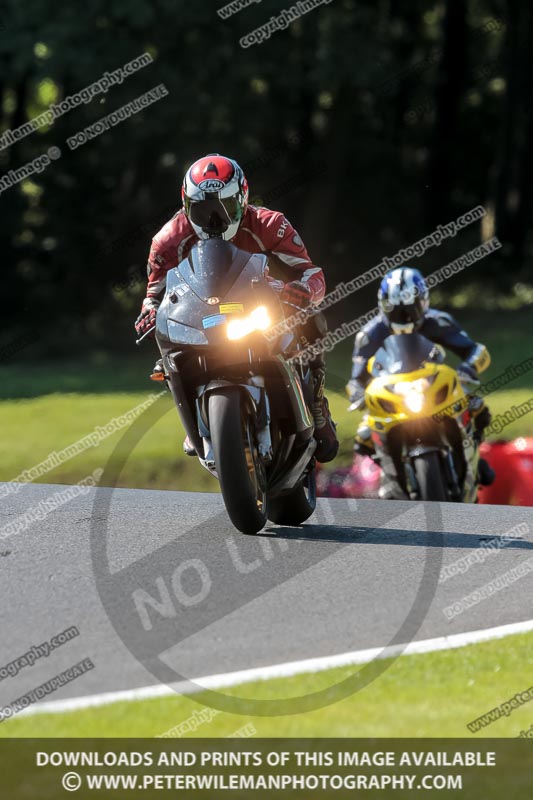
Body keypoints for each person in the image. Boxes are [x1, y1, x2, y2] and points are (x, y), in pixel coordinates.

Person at [134, 153, 338, 462]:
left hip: (260, 307)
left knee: (314, 322)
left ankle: (317, 403)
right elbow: (154, 292)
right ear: (187, 206)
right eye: (203, 210)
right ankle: (192, 420)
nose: (214, 220)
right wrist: (148, 311)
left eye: (225, 208)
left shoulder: (271, 224)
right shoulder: (167, 239)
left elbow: (311, 272)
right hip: (200, 314)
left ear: (242, 200)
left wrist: (302, 290)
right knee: (165, 358)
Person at [345, 266, 494, 495]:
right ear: (382, 304)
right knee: (363, 435)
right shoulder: (369, 334)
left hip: (432, 386)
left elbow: (477, 351)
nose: (403, 316)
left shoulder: (439, 321)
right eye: (394, 309)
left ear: (423, 301)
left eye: (409, 308)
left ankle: (474, 459)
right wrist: (356, 391)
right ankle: (388, 479)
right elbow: (356, 378)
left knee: (476, 407)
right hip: (394, 393)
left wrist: (468, 368)